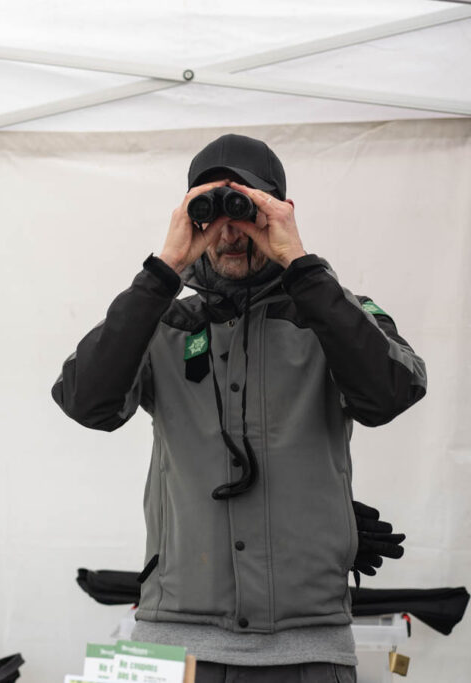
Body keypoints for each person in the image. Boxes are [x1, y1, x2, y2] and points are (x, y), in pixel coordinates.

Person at [51, 134, 427, 682]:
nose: (228, 231)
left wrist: (301, 265)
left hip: (305, 645)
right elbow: (86, 402)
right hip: (176, 641)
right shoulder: (162, 322)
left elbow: (391, 393)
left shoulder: (331, 313)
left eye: (244, 209)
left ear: (277, 211)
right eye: (208, 212)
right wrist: (163, 271)